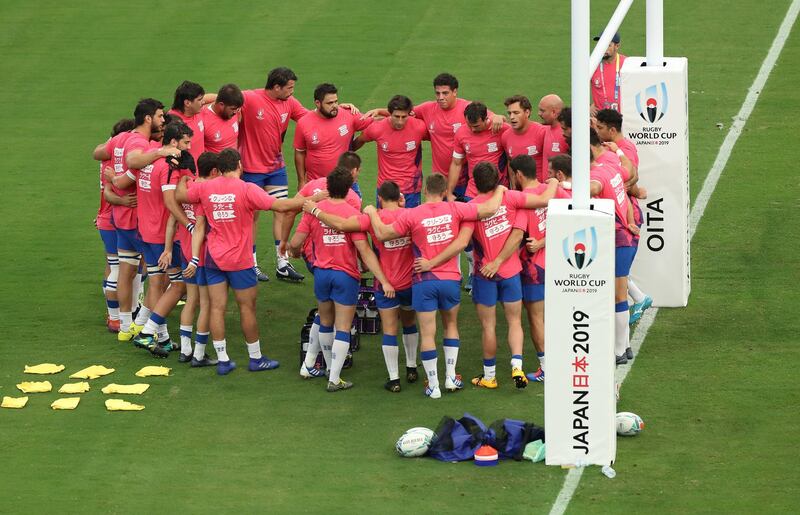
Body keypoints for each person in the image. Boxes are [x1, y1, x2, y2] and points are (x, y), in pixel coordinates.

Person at [177, 148, 322, 376]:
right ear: (239, 165)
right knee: (247, 308)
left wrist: (182, 178)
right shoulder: (247, 189)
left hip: (214, 257)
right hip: (240, 260)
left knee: (216, 307)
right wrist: (313, 199)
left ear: (219, 168)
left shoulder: (205, 188)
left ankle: (223, 359)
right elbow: (282, 206)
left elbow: (181, 196)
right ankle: (255, 358)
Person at [364, 173, 506, 399]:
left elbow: (381, 233)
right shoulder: (456, 209)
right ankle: (450, 377)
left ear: (424, 192)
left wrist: (372, 212)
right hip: (450, 280)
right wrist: (499, 189)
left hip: (424, 281)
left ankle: (433, 386)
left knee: (428, 334)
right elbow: (490, 209)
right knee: (450, 326)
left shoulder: (413, 213)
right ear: (443, 192)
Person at [303, 180, 421, 392]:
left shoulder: (370, 219)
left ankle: (394, 379)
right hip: (410, 282)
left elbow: (340, 224)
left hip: (386, 285)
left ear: (380, 199)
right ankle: (412, 367)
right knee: (410, 324)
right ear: (399, 198)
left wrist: (315, 210)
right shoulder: (411, 216)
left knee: (390, 331)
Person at [288, 167, 394, 392]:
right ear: (348, 190)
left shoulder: (314, 210)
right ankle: (334, 378)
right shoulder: (351, 213)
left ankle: (323, 367)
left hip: (321, 274)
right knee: (343, 327)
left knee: (325, 321)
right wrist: (382, 279)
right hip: (345, 275)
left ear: (327, 188)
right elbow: (364, 251)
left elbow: (296, 242)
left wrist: (294, 251)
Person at [117, 121, 194, 356]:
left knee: (157, 283)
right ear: (173, 142)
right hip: (161, 235)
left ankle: (161, 337)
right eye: (186, 142)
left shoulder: (148, 161)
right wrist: (189, 224)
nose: (189, 147)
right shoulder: (168, 167)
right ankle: (147, 332)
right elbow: (171, 202)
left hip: (145, 232)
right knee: (178, 285)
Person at [103, 98, 174, 341]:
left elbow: (99, 153)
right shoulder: (139, 144)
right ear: (148, 118)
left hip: (120, 218)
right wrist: (160, 152)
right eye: (160, 116)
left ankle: (125, 326)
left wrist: (111, 177)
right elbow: (131, 166)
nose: (162, 120)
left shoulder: (121, 137)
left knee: (126, 271)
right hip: (138, 219)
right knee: (157, 279)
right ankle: (149, 328)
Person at [238, 67, 309, 282]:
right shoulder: (250, 98)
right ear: (276, 87)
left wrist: (339, 111)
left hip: (276, 169)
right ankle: (252, 264)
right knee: (252, 218)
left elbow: (309, 118)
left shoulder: (290, 102)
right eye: (289, 87)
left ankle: (282, 262)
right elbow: (223, 97)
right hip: (251, 170)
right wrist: (202, 102)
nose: (292, 91)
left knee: (283, 212)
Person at [514, 154, 573, 382]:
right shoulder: (555, 191)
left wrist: (539, 243)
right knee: (562, 314)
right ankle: (570, 359)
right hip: (562, 261)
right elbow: (572, 218)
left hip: (534, 267)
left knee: (536, 317)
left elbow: (517, 235)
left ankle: (546, 367)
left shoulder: (521, 199)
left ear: (518, 174)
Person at [594, 108, 652, 328]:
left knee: (616, 270)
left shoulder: (624, 148)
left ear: (611, 129)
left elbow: (631, 177)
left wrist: (632, 191)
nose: (596, 132)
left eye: (599, 128)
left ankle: (637, 300)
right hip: (620, 211)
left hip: (626, 214)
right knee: (614, 268)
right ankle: (638, 297)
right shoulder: (614, 147)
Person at [447, 101, 510, 293]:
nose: (472, 129)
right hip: (472, 193)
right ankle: (475, 273)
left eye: (476, 125)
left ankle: (503, 274)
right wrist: (449, 192)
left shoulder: (500, 128)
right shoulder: (462, 133)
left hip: (499, 192)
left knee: (498, 235)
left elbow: (513, 157)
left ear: (486, 119)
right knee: (469, 237)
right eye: (469, 125)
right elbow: (457, 163)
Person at [589, 129, 637, 365]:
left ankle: (618, 351)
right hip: (626, 235)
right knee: (618, 291)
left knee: (618, 295)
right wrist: (630, 220)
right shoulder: (612, 164)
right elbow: (629, 181)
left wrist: (562, 183)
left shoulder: (599, 175)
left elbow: (594, 189)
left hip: (620, 239)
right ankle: (625, 345)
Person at [412, 73, 503, 198]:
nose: (441, 97)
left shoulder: (468, 108)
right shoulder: (427, 109)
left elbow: (489, 118)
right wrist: (381, 113)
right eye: (437, 93)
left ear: (455, 92)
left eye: (445, 93)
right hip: (441, 180)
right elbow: (404, 113)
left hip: (466, 180)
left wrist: (498, 117)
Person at [93, 118, 136, 333]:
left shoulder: (108, 158)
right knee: (120, 268)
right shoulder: (113, 162)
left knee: (116, 266)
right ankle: (115, 317)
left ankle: (122, 312)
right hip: (114, 219)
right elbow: (110, 192)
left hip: (107, 218)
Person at [352, 95, 429, 208]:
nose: (400, 121)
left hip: (411, 189)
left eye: (404, 117)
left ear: (409, 114)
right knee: (384, 223)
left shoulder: (419, 127)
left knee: (411, 224)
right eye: (396, 116)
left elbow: (437, 139)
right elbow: (359, 140)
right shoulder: (377, 128)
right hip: (385, 189)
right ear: (389, 113)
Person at [293, 83, 373, 188]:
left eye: (336, 101)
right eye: (330, 103)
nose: (334, 105)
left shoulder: (348, 114)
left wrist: (379, 111)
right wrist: (301, 181)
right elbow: (299, 153)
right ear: (318, 103)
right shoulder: (304, 123)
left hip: (345, 183)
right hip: (317, 184)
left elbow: (378, 121)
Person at [501, 95, 547, 186]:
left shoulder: (542, 132)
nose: (512, 117)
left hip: (540, 190)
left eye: (516, 113)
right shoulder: (505, 136)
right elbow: (510, 162)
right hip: (520, 193)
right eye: (509, 113)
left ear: (527, 112)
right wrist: (514, 186)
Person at [168, 80, 216, 163]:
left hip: (201, 172)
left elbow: (209, 98)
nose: (203, 102)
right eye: (200, 99)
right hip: (184, 174)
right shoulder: (172, 122)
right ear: (187, 103)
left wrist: (227, 97)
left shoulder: (196, 110)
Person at [590, 32, 626, 115]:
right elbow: (579, 89)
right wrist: (587, 106)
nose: (603, 48)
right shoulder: (591, 64)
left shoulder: (626, 64)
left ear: (617, 46)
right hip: (599, 120)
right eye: (600, 45)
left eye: (608, 45)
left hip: (622, 117)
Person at [202, 83, 243, 153]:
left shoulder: (235, 111)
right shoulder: (202, 118)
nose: (236, 112)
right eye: (233, 109)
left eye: (237, 109)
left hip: (235, 162)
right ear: (221, 105)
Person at [538, 94, 570, 182]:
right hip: (547, 189)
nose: (539, 114)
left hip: (561, 190)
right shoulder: (545, 129)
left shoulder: (567, 135)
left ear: (554, 113)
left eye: (542, 111)